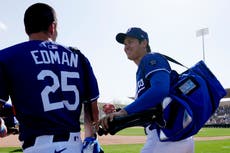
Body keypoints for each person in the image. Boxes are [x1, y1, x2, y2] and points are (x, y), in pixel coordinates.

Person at [0, 3, 102, 153]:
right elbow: (92, 112)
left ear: (26, 28)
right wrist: (89, 139)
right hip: (74, 145)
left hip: (36, 147)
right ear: (52, 27)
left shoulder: (7, 57)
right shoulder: (79, 57)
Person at [99, 27, 194, 153]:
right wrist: (118, 120)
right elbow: (151, 111)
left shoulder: (150, 58)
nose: (126, 46)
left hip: (164, 138)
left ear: (144, 43)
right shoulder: (143, 69)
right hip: (173, 135)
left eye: (130, 41)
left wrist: (124, 112)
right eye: (125, 43)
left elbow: (160, 90)